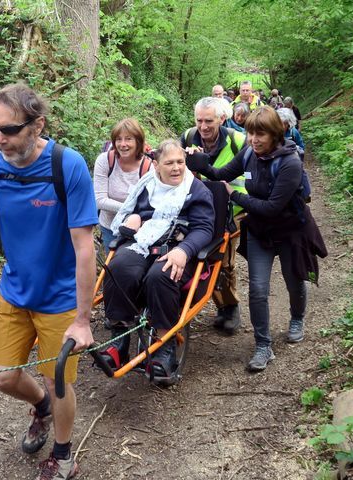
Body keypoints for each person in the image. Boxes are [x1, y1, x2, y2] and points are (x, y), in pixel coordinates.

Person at [0, 83, 97, 480]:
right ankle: (39, 407)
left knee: (57, 381)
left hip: (59, 297)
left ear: (37, 125)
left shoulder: (67, 165)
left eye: (9, 130)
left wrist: (84, 319)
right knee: (2, 376)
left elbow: (85, 247)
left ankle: (63, 456)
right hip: (15, 290)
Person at [187, 106, 327, 372]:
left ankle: (297, 318)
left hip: (289, 231)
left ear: (274, 134)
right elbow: (220, 174)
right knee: (258, 289)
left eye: (260, 134)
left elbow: (272, 207)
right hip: (261, 232)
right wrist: (196, 161)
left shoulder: (290, 162)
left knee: (293, 280)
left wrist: (235, 196)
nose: (254, 139)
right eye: (251, 133)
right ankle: (263, 345)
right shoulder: (249, 152)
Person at [99, 139, 214, 379]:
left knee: (161, 276)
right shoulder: (146, 186)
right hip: (144, 241)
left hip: (179, 245)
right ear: (156, 165)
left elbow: (204, 228)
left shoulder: (196, 190)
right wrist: (133, 218)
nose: (176, 168)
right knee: (118, 269)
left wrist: (184, 250)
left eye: (180, 162)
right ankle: (119, 341)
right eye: (169, 163)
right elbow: (134, 212)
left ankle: (164, 346)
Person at [181, 97, 246, 334]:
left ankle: (229, 307)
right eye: (199, 120)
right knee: (196, 256)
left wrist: (230, 188)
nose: (203, 126)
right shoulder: (188, 137)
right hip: (198, 209)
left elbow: (251, 176)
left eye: (209, 120)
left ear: (222, 118)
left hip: (232, 210)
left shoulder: (238, 141)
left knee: (224, 261)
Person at [93, 118, 153, 252]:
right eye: (118, 139)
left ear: (138, 141)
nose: (123, 144)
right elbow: (99, 200)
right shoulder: (105, 161)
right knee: (112, 266)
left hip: (137, 229)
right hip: (109, 226)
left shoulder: (148, 168)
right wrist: (130, 210)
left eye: (128, 139)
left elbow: (151, 204)